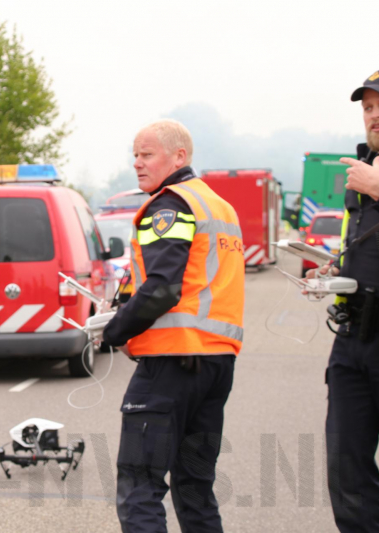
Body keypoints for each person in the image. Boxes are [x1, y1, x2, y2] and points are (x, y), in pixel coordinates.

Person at [102, 119, 244, 533]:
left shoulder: (170, 205)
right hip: (216, 363)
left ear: (179, 156)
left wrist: (115, 331)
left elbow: (163, 288)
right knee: (195, 489)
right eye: (135, 155)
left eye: (146, 154)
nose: (137, 164)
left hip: (171, 365)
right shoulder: (219, 205)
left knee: (140, 486)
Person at [310, 69, 379, 533]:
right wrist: (332, 274)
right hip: (355, 335)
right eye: (368, 108)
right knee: (346, 469)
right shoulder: (360, 172)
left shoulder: (370, 178)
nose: (373, 116)